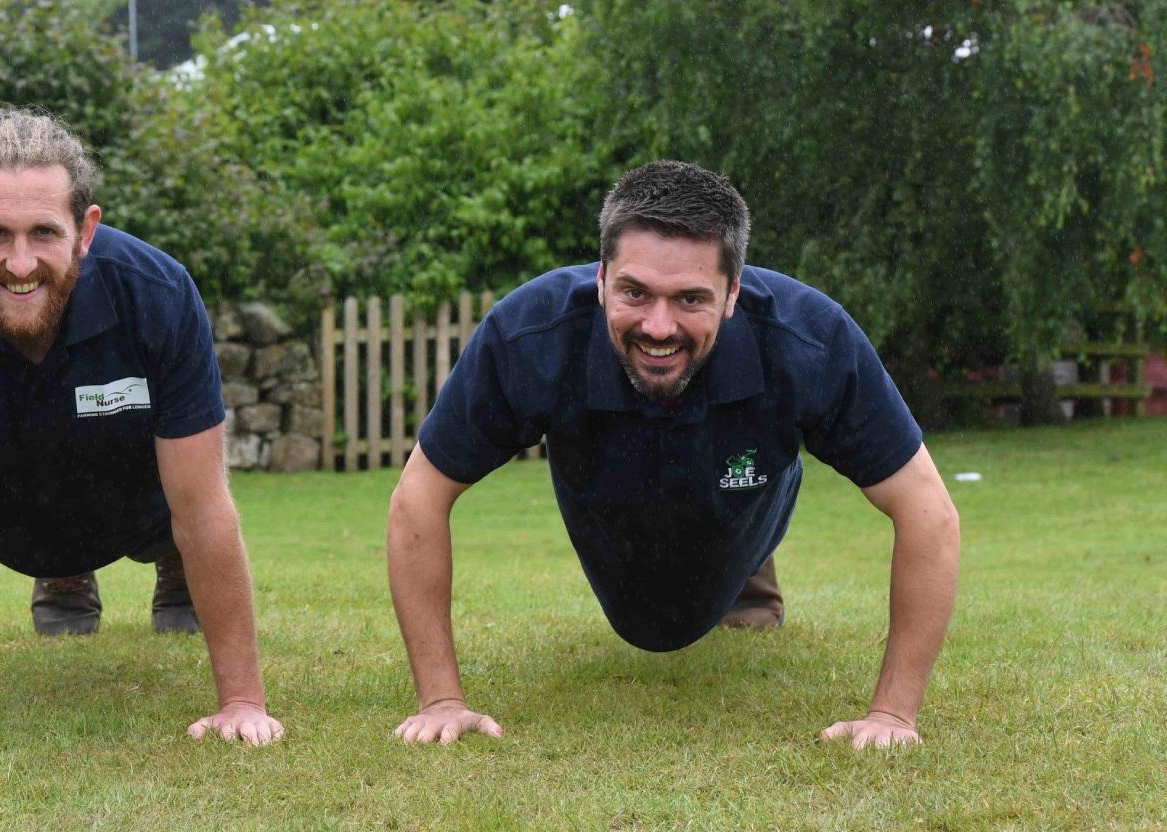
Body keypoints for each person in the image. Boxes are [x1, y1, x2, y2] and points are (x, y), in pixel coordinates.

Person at [386, 161, 960, 749]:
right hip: (609, 505)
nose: (659, 327)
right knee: (647, 622)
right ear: (602, 279)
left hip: (745, 483)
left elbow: (928, 512)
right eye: (635, 292)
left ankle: (747, 572)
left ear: (734, 292)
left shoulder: (808, 340)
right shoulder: (530, 334)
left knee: (741, 488)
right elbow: (418, 497)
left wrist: (893, 715)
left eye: (690, 298)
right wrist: (441, 700)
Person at [0, 108, 282, 755]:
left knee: (181, 509)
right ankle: (62, 571)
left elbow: (203, 507)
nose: (20, 263)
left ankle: (170, 568)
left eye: (44, 232)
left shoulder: (159, 293)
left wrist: (242, 702)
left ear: (86, 230)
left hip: (138, 503)